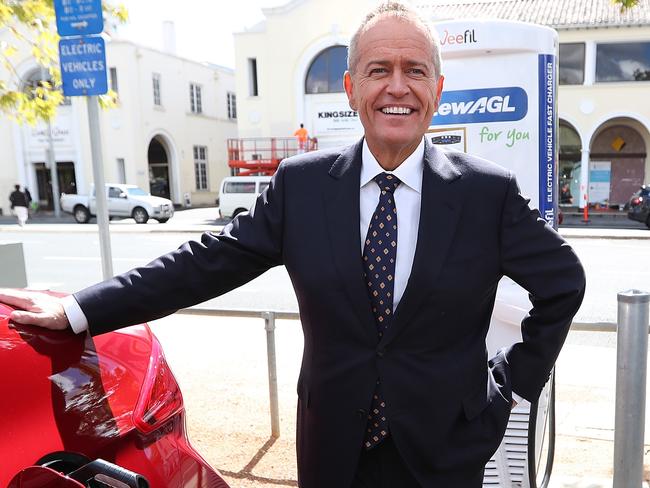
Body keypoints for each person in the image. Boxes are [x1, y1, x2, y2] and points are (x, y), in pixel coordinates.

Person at [0, 3, 585, 487]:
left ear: (438, 87)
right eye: (380, 69)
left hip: (447, 451)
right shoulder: (302, 186)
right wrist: (78, 310)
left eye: (415, 70)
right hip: (334, 449)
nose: (398, 87)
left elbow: (564, 284)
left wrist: (510, 388)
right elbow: (206, 263)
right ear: (352, 87)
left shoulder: (487, 194)